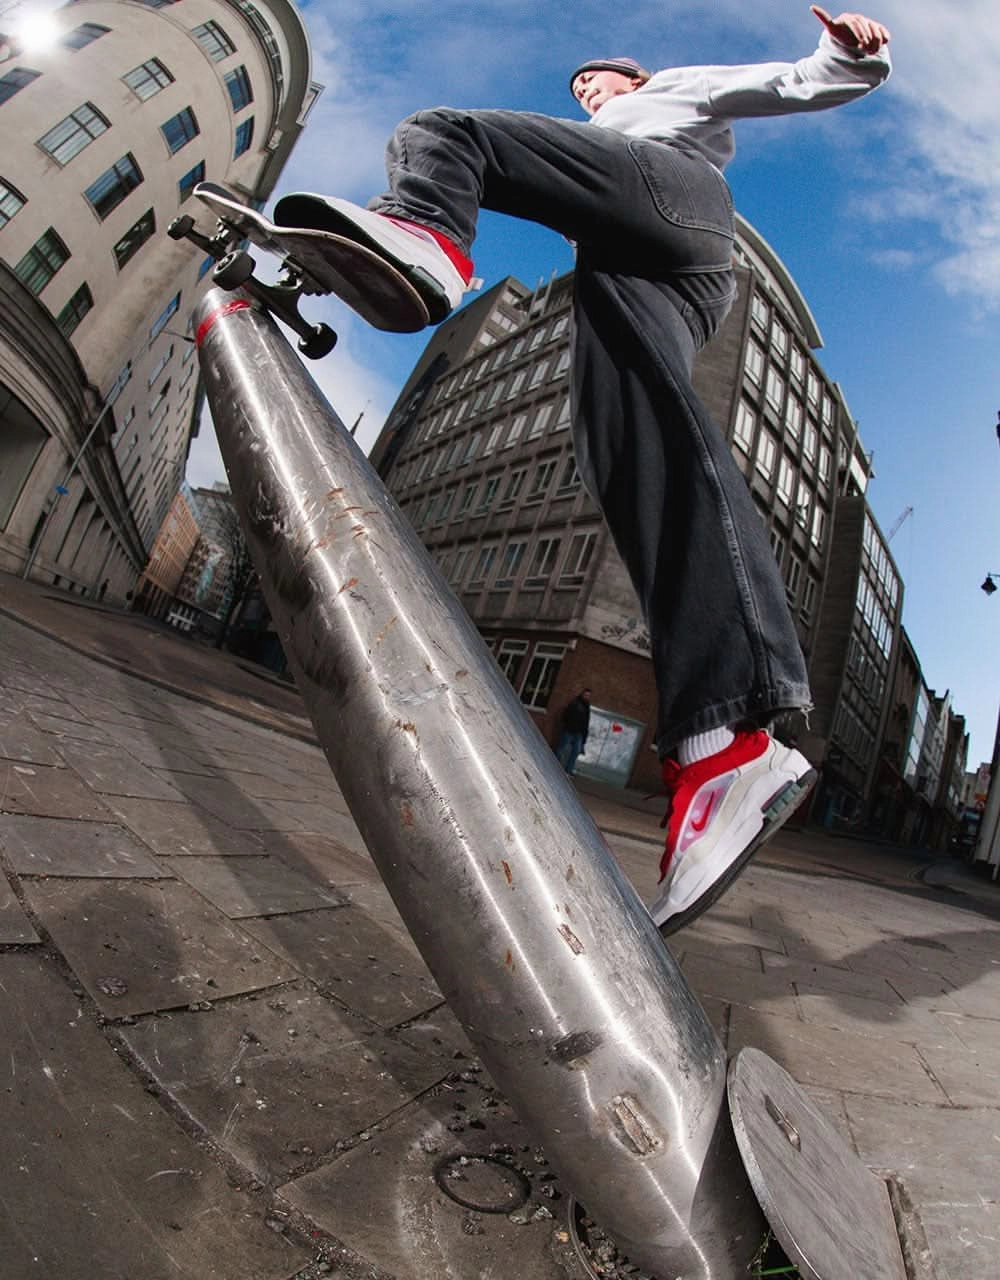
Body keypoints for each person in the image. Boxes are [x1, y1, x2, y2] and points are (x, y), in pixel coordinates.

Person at [272, 6, 891, 934]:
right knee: (632, 449)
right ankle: (724, 740)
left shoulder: (667, 98)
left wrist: (842, 57)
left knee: (446, 133)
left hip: (678, 209)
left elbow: (784, 83)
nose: (590, 96)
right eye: (582, 93)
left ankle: (427, 235)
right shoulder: (607, 142)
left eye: (597, 85)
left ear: (631, 80)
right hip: (657, 277)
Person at [557, 689, 592, 775]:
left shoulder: (587, 707)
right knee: (561, 748)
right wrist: (567, 725)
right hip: (569, 730)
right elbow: (565, 714)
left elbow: (586, 722)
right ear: (582, 694)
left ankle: (568, 770)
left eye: (588, 696)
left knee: (576, 751)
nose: (587, 697)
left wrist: (584, 736)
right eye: (586, 695)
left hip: (579, 733)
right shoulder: (574, 703)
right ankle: (554, 763)